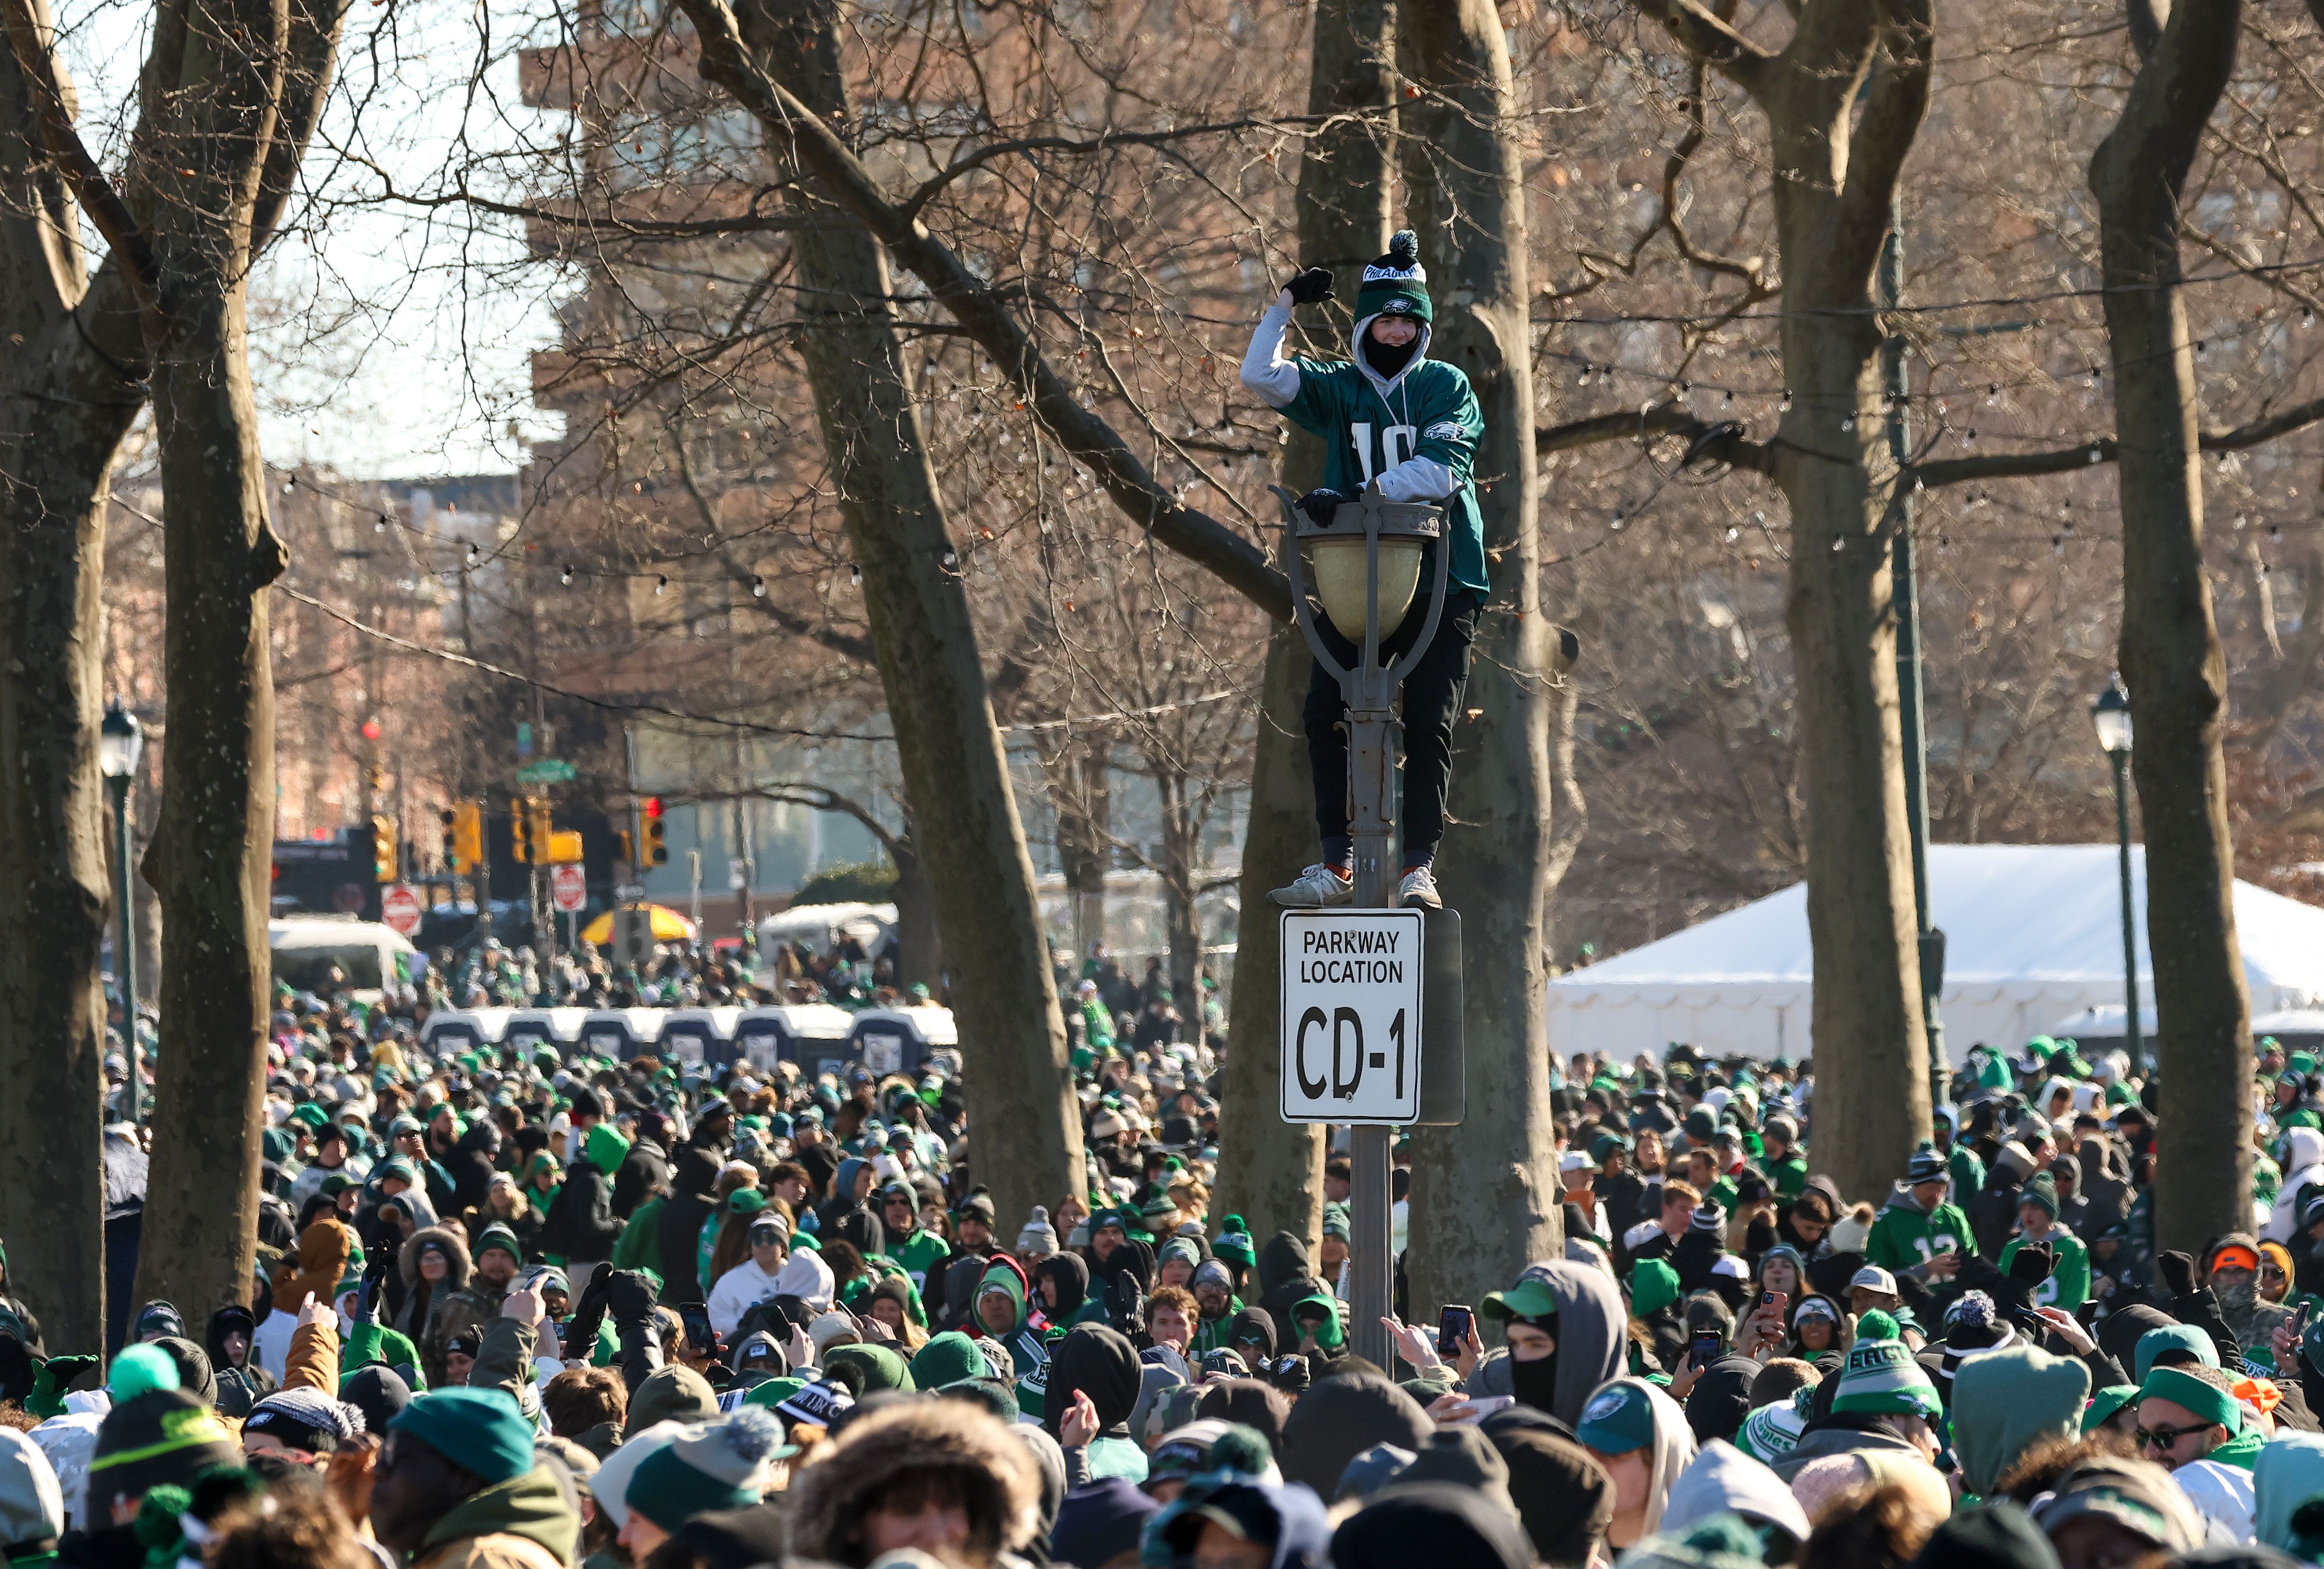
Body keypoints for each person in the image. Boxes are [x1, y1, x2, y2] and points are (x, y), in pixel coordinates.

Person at [1244, 229, 1490, 913]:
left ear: (1422, 326)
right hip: (1359, 581)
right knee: (1325, 709)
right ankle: (1336, 864)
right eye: (1383, 318)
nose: (1394, 331)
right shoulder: (1339, 387)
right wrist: (1283, 306)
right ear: (1363, 324)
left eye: (1407, 320)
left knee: (1429, 719)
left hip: (1446, 577)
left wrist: (1357, 496)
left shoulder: (1446, 385)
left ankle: (1417, 868)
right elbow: (1260, 376)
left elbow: (1440, 471)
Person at [370, 1387, 577, 1569]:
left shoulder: (485, 1561)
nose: (377, 1470)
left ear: (465, 1478)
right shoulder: (464, 1553)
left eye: (398, 1456)